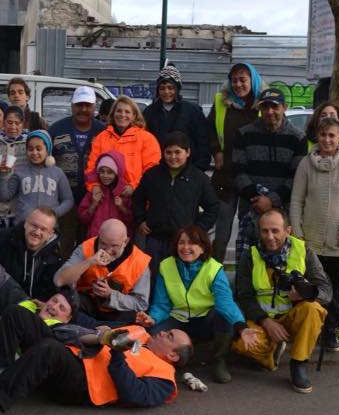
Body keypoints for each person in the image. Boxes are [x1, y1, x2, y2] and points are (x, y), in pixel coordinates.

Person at [0, 321, 192, 415]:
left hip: (82, 386)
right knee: (17, 315)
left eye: (170, 337)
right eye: (166, 331)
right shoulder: (140, 332)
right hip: (76, 355)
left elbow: (134, 395)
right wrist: (100, 335)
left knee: (48, 350)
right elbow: (89, 337)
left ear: (173, 356)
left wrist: (117, 353)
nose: (162, 332)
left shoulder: (165, 378)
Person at [137, 226, 262, 383]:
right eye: (181, 243)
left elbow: (225, 303)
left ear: (203, 248)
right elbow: (162, 304)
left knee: (223, 316)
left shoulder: (213, 268)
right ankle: (155, 366)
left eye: (192, 243)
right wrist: (152, 318)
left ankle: (219, 361)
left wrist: (242, 327)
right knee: (151, 333)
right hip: (177, 320)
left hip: (205, 321)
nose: (185, 247)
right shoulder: (166, 265)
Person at [290, 116, 339, 351]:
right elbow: (296, 201)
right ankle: (310, 329)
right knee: (311, 287)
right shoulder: (306, 164)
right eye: (323, 135)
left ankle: (331, 331)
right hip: (311, 241)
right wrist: (297, 233)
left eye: (332, 135)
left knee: (333, 290)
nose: (327, 140)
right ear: (317, 135)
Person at [231, 209, 332, 393]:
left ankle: (299, 364)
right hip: (263, 320)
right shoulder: (250, 256)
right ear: (259, 232)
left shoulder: (304, 251)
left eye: (275, 231)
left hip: (294, 318)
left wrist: (306, 294)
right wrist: (266, 322)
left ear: (288, 230)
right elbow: (244, 295)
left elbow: (326, 292)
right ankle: (271, 353)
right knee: (242, 345)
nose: (270, 237)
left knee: (313, 308)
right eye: (264, 231)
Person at [231, 87, 307, 259]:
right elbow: (238, 171)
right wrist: (257, 199)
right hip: (251, 207)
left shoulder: (298, 137)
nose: (269, 111)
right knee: (248, 261)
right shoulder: (244, 133)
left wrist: (271, 200)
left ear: (284, 107)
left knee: (279, 261)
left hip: (282, 211)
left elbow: (296, 177)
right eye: (265, 107)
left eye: (275, 106)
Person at [206, 62, 265, 260]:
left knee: (250, 230)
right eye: (234, 80)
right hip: (226, 175)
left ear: (252, 80)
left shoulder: (263, 104)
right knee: (221, 230)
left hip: (252, 177)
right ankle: (215, 272)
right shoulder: (221, 102)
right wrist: (216, 151)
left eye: (243, 80)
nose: (238, 85)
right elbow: (209, 129)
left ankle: (246, 277)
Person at [132, 131, 219, 264]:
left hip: (184, 243)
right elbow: (137, 198)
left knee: (181, 279)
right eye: (168, 152)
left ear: (187, 152)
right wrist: (140, 219)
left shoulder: (199, 179)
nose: (173, 157)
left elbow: (213, 206)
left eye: (177, 152)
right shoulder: (152, 175)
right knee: (155, 277)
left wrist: (198, 229)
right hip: (155, 239)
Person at [0, 207, 66, 314]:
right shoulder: (0, 239)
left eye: (43, 229)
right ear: (25, 224)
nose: (37, 232)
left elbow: (55, 293)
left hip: (28, 315)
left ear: (50, 234)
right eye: (34, 225)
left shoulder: (55, 258)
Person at [54, 218, 152, 323]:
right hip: (86, 303)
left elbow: (141, 304)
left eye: (114, 246)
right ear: (99, 237)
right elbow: (58, 280)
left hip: (116, 311)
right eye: (103, 243)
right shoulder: (86, 247)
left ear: (125, 241)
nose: (108, 250)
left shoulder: (140, 262)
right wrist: (89, 262)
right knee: (66, 297)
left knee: (135, 318)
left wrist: (111, 294)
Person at [49, 86, 106, 255]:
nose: (83, 109)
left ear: (94, 107)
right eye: (79, 105)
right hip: (62, 199)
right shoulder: (57, 129)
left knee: (89, 245)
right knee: (62, 245)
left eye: (87, 105)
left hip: (94, 200)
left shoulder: (102, 131)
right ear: (72, 105)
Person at [84, 96, 161, 196]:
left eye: (127, 112)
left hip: (137, 196)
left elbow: (152, 170)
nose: (122, 115)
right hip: (106, 197)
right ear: (113, 114)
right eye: (119, 111)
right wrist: (94, 185)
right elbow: (92, 166)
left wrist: (134, 185)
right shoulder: (101, 138)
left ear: (134, 116)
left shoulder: (147, 139)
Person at [142, 64, 211, 170]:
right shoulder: (149, 112)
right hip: (158, 169)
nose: (166, 92)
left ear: (177, 89)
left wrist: (199, 169)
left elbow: (203, 142)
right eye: (162, 88)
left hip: (188, 169)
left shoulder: (192, 111)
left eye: (170, 88)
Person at [0, 130, 73, 223]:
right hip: (23, 225)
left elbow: (68, 200)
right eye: (30, 149)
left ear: (48, 150)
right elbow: (3, 197)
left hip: (48, 227)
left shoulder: (57, 172)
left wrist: (54, 213)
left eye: (39, 149)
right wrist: (3, 174)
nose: (34, 153)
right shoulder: (20, 171)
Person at [78, 150, 132, 239]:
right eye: (102, 171)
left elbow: (132, 221)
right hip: (95, 241)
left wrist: (122, 207)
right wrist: (94, 204)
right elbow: (83, 219)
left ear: (117, 173)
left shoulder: (125, 193)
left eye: (110, 172)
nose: (105, 175)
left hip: (117, 243)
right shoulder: (94, 192)